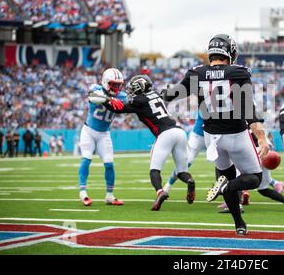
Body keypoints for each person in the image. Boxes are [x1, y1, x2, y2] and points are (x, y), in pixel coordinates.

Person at [162, 34, 269, 236]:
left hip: (211, 137)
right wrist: (261, 137)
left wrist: (157, 94)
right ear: (230, 52)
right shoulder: (238, 72)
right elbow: (247, 109)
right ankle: (229, 190)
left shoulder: (196, 73)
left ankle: (239, 223)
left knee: (227, 172)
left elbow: (174, 94)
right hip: (236, 135)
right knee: (254, 178)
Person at [104, 75, 195, 211]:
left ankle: (160, 192)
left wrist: (104, 100)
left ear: (139, 88)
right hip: (179, 132)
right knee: (182, 171)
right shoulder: (156, 95)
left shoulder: (139, 100)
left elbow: (118, 108)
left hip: (165, 134)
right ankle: (190, 181)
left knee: (154, 170)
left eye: (133, 88)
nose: (131, 91)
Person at [78, 68, 127, 207]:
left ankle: (110, 196)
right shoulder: (96, 88)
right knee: (87, 158)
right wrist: (110, 100)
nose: (117, 88)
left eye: (119, 85)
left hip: (104, 134)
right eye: (114, 84)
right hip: (89, 131)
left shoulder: (121, 96)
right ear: (106, 82)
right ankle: (83, 193)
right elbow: (94, 97)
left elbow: (129, 104)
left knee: (109, 164)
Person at [163, 111, 205, 195]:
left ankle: (228, 191)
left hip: (215, 136)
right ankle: (168, 185)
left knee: (224, 162)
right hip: (199, 136)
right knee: (186, 162)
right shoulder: (206, 102)